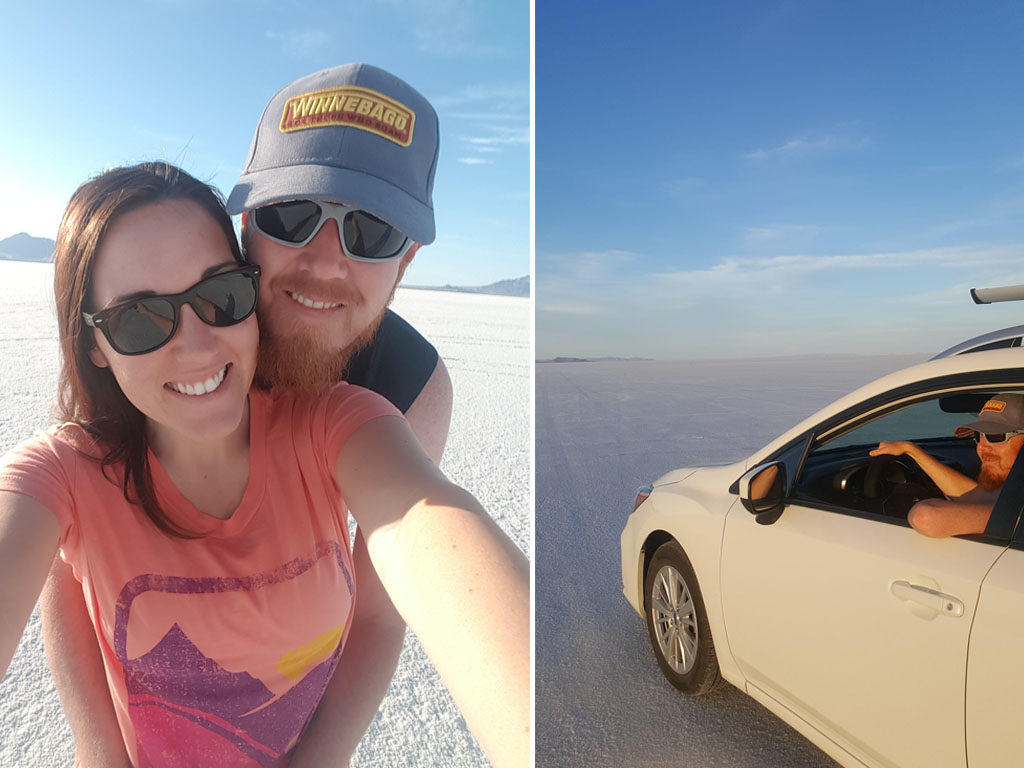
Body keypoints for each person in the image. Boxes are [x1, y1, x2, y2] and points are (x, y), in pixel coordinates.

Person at [0, 162, 528, 768]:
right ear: (94, 342)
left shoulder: (332, 425)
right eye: (140, 319)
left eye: (221, 295)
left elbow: (424, 521)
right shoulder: (64, 474)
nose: (197, 345)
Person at [869, 393, 1024, 537]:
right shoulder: (1016, 488)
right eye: (978, 436)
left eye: (995, 436)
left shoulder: (1016, 514)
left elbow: (925, 517)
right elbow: (975, 496)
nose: (981, 447)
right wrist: (911, 450)